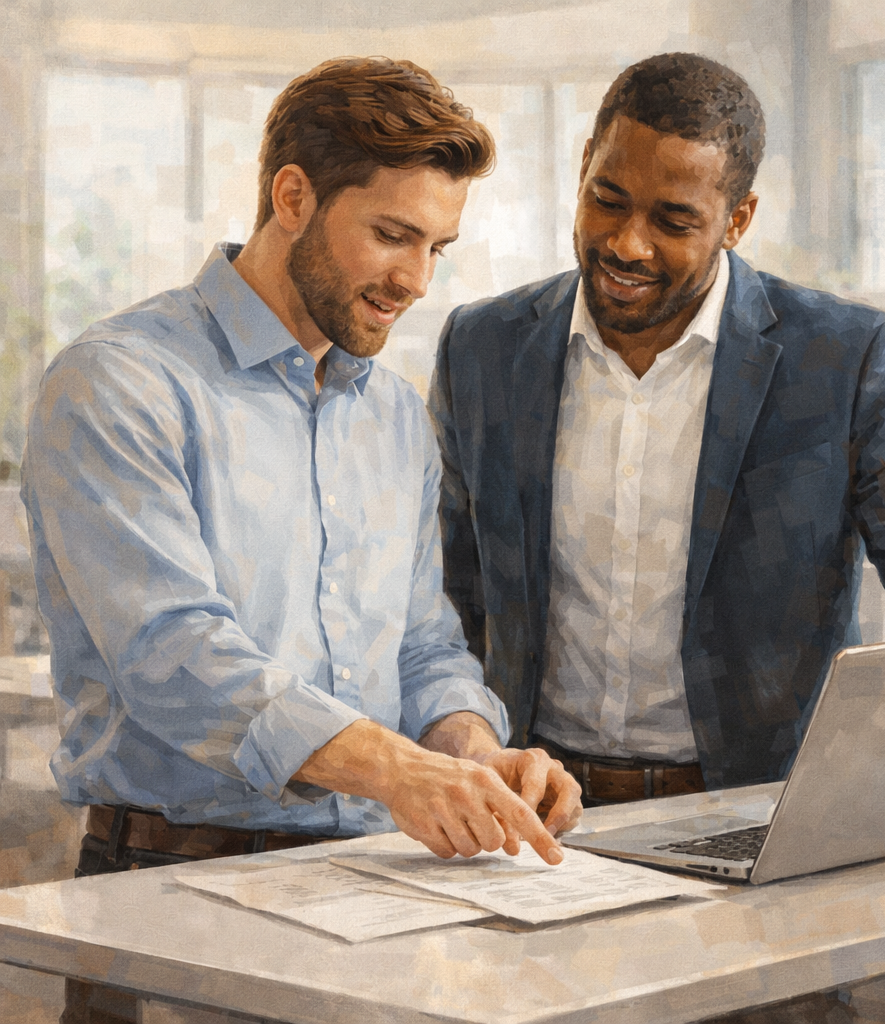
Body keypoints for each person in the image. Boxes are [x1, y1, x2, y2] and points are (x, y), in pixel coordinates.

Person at [428, 52, 885, 825]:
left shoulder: (848, 359)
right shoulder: (484, 347)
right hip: (537, 815)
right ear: (583, 167)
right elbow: (450, 592)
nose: (628, 244)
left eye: (674, 221)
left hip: (759, 811)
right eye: (606, 200)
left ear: (738, 219)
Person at [23, 57, 581, 1024]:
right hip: (166, 889)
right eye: (391, 235)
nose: (414, 280)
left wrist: (470, 749)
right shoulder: (118, 384)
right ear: (293, 196)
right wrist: (399, 770)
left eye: (437, 247)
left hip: (371, 888)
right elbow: (172, 655)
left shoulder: (397, 419)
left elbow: (420, 642)